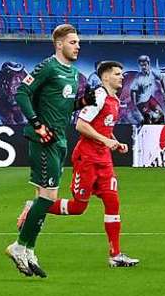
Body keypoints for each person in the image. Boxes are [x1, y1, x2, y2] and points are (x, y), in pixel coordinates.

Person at [6, 24, 96, 278]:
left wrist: (83, 103)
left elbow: (64, 107)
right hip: (44, 139)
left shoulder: (73, 72)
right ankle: (19, 246)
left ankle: (29, 248)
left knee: (46, 197)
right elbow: (22, 92)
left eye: (78, 42)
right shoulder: (48, 66)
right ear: (59, 44)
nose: (77, 46)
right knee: (47, 197)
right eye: (72, 42)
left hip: (60, 140)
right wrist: (37, 125)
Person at [41, 61, 139, 267]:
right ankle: (37, 207)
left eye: (121, 74)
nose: (122, 77)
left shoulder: (114, 99)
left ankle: (115, 255)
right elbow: (80, 125)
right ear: (105, 78)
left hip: (104, 160)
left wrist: (114, 141)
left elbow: (103, 127)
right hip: (86, 159)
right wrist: (105, 141)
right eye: (117, 74)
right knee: (78, 207)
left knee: (113, 203)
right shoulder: (99, 96)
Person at [128, 54, 165, 125]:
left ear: (148, 64)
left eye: (145, 65)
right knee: (149, 119)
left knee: (161, 114)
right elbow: (133, 92)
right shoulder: (138, 78)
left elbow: (162, 78)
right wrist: (134, 105)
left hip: (150, 98)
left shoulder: (153, 72)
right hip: (141, 102)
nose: (143, 67)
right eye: (141, 65)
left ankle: (161, 131)